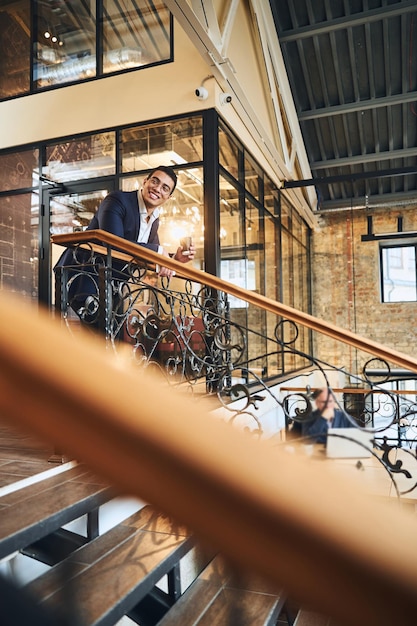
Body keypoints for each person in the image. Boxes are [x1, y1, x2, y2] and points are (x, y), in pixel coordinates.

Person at [54, 165, 195, 320]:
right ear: (145, 181)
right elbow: (113, 243)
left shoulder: (154, 220)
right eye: (155, 181)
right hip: (80, 280)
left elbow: (149, 255)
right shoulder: (117, 201)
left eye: (165, 188)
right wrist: (159, 252)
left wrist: (174, 260)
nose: (157, 189)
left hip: (112, 287)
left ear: (168, 197)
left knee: (108, 340)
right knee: (78, 340)